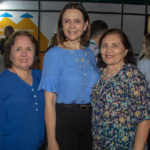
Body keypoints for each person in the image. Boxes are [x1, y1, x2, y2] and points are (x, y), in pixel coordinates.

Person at [38, 2, 99, 150]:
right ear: (61, 26)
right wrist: (51, 141)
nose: (72, 26)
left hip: (90, 121)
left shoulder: (90, 54)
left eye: (77, 21)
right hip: (64, 120)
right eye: (67, 21)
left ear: (85, 25)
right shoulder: (53, 54)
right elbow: (50, 101)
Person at [91, 29, 150, 149]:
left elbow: (144, 118)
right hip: (99, 144)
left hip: (125, 145)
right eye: (104, 45)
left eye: (115, 45)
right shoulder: (100, 74)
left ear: (125, 51)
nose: (108, 50)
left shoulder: (132, 76)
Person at [0, 31, 45, 150]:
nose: (24, 54)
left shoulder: (41, 77)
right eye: (18, 49)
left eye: (29, 49)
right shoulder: (2, 83)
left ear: (35, 53)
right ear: (9, 54)